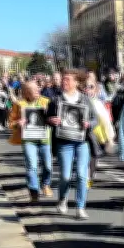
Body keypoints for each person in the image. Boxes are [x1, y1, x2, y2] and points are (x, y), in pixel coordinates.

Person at [46, 69, 99, 220]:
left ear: (76, 82)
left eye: (68, 79)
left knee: (82, 175)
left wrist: (89, 124)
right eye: (63, 79)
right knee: (65, 175)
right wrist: (51, 120)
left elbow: (96, 119)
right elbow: (47, 118)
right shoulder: (56, 100)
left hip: (82, 142)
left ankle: (80, 207)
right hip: (64, 142)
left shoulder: (85, 99)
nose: (64, 82)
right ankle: (63, 199)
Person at [8, 81, 52, 202]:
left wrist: (48, 114)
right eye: (35, 90)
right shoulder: (19, 104)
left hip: (44, 139)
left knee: (48, 166)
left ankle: (45, 184)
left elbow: (54, 118)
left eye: (38, 89)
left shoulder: (46, 102)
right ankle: (34, 191)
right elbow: (10, 124)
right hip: (29, 140)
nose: (38, 91)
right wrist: (18, 123)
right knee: (32, 166)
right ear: (27, 93)